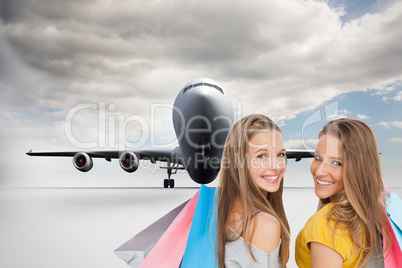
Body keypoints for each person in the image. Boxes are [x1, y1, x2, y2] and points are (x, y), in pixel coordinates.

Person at [295, 118, 392, 268]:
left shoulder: (326, 225)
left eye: (336, 163)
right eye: (318, 158)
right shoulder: (378, 212)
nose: (319, 171)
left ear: (358, 170)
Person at [217, 114, 290, 268]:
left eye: (280, 155)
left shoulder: (219, 209)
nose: (276, 166)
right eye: (262, 156)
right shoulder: (264, 224)